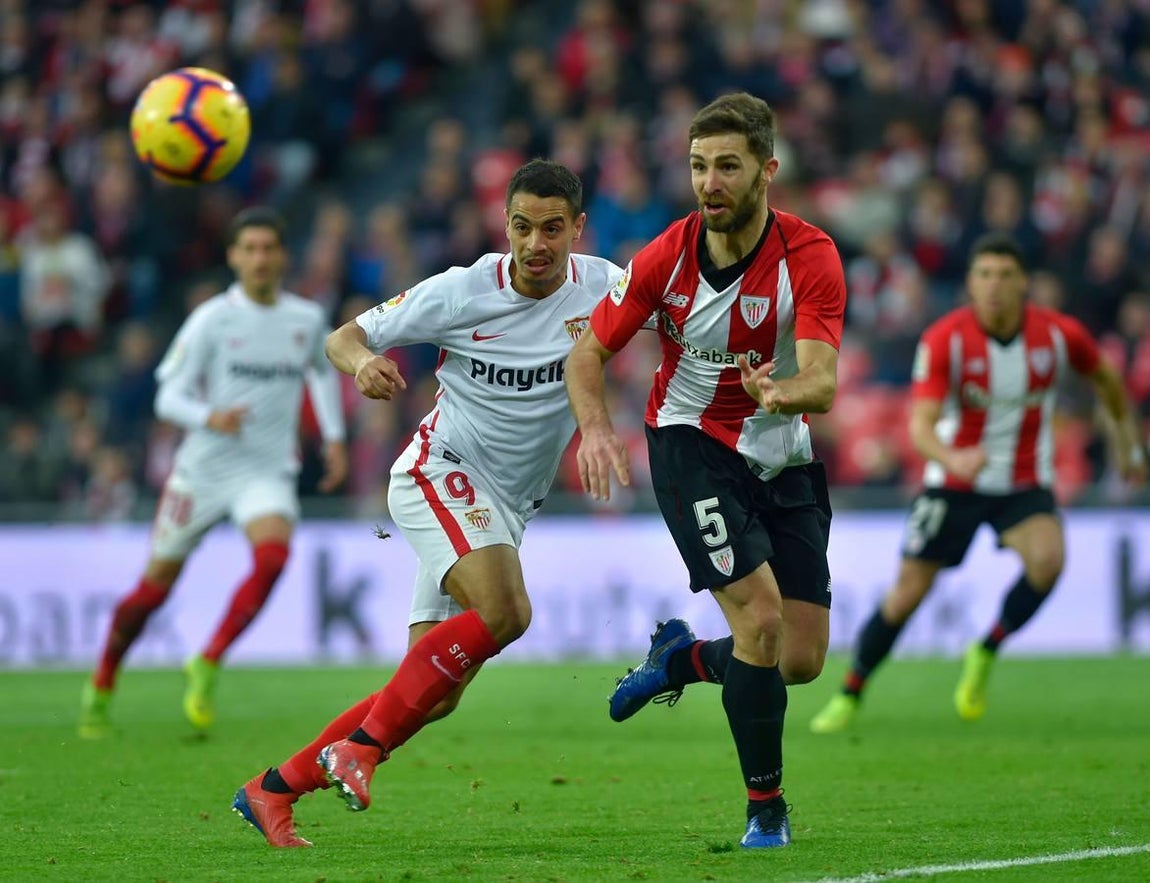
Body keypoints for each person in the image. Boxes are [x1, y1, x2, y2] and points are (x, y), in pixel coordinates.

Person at [232, 159, 624, 848]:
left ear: (578, 229)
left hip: (509, 505)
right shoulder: (462, 290)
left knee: (434, 694)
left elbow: (679, 320)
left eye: (553, 229)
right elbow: (342, 337)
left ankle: (274, 787)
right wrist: (363, 365)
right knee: (507, 611)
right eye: (522, 227)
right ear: (504, 224)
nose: (536, 244)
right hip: (440, 472)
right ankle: (360, 750)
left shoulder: (606, 286)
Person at [565, 92, 847, 849]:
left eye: (727, 165)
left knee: (799, 657)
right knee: (758, 620)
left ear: (766, 169)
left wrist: (780, 392)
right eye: (698, 166)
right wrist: (594, 428)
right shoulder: (664, 256)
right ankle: (767, 810)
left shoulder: (809, 256)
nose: (709, 182)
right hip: (691, 445)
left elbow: (822, 381)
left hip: (782, 448)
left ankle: (680, 659)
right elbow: (587, 352)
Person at [809, 233, 1148, 734]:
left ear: (1023, 283)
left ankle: (985, 648)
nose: (994, 286)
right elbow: (921, 426)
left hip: (1023, 480)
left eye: (1005, 275)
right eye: (984, 275)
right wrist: (953, 458)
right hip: (953, 481)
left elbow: (1106, 379)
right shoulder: (946, 338)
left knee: (1049, 561)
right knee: (907, 593)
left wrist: (1126, 444)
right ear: (970, 282)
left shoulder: (1057, 335)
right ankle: (850, 691)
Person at [79, 207, 349, 738]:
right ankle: (102, 683)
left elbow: (321, 373)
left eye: (268, 248)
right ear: (232, 256)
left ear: (283, 256)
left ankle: (208, 659)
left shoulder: (306, 319)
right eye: (248, 248)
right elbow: (168, 396)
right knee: (154, 590)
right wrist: (210, 417)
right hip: (203, 470)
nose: (259, 259)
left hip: (266, 469)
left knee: (273, 556)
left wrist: (336, 438)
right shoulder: (211, 320)